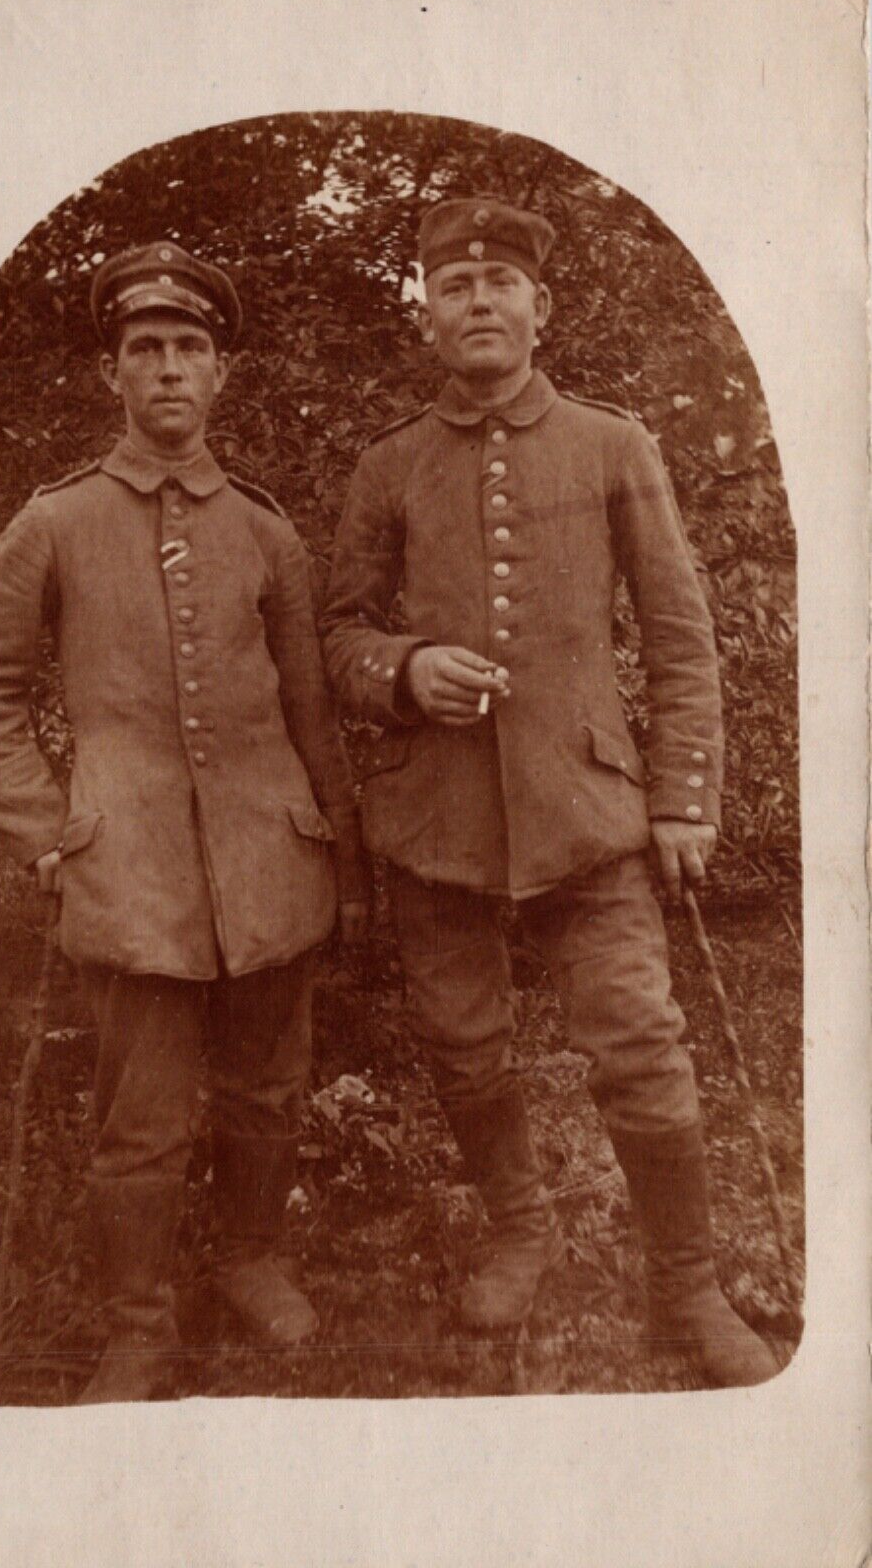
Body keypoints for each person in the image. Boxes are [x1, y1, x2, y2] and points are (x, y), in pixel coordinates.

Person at [319, 197, 777, 1387]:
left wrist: (681, 799)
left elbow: (678, 637)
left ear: (540, 307)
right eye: (454, 285)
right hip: (437, 823)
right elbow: (338, 637)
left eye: (499, 282)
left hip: (588, 816)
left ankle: (684, 1286)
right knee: (463, 1047)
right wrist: (406, 670)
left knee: (640, 1048)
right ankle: (522, 1228)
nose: (478, 300)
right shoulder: (388, 466)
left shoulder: (611, 444)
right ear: (426, 318)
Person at [0, 241, 369, 1403]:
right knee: (139, 1118)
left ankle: (250, 1259)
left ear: (220, 372)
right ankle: (136, 1325)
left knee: (267, 1091)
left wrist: (338, 848)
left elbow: (310, 707)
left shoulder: (266, 532)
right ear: (112, 376)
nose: (169, 369)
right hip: (128, 874)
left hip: (271, 861)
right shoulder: (55, 524)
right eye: (146, 350)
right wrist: (48, 828)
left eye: (189, 348)